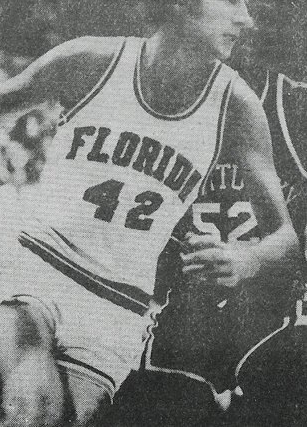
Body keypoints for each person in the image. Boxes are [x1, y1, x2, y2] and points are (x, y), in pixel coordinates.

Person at [0, 0, 301, 426]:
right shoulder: (90, 61)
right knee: (32, 412)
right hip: (40, 269)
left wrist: (244, 258)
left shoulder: (237, 106)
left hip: (119, 306)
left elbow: (285, 237)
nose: (246, 18)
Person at [111, 71, 307, 427]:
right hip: (185, 316)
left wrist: (250, 258)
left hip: (281, 309)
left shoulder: (294, 105)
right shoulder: (149, 108)